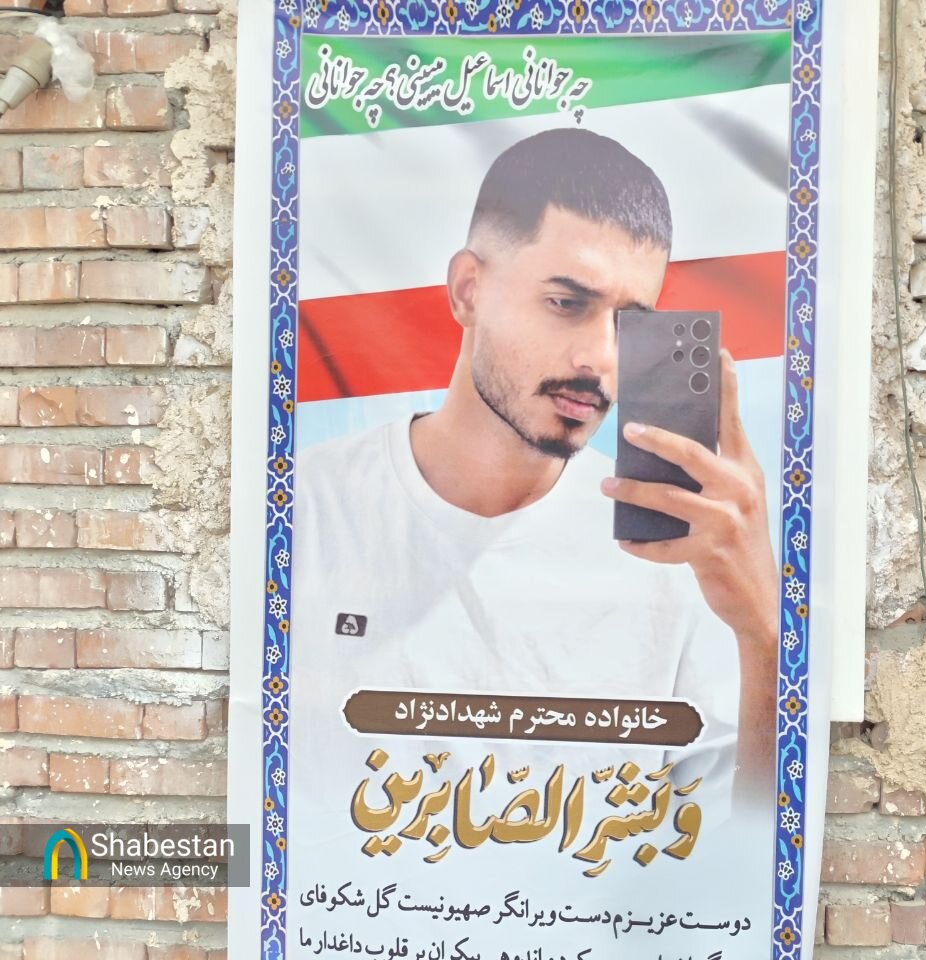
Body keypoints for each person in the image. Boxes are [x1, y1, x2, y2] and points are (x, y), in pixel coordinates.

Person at [291, 128, 778, 818]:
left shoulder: (678, 555)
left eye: (629, 323)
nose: (599, 358)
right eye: (566, 303)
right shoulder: (304, 511)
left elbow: (742, 842)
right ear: (468, 290)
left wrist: (764, 635)